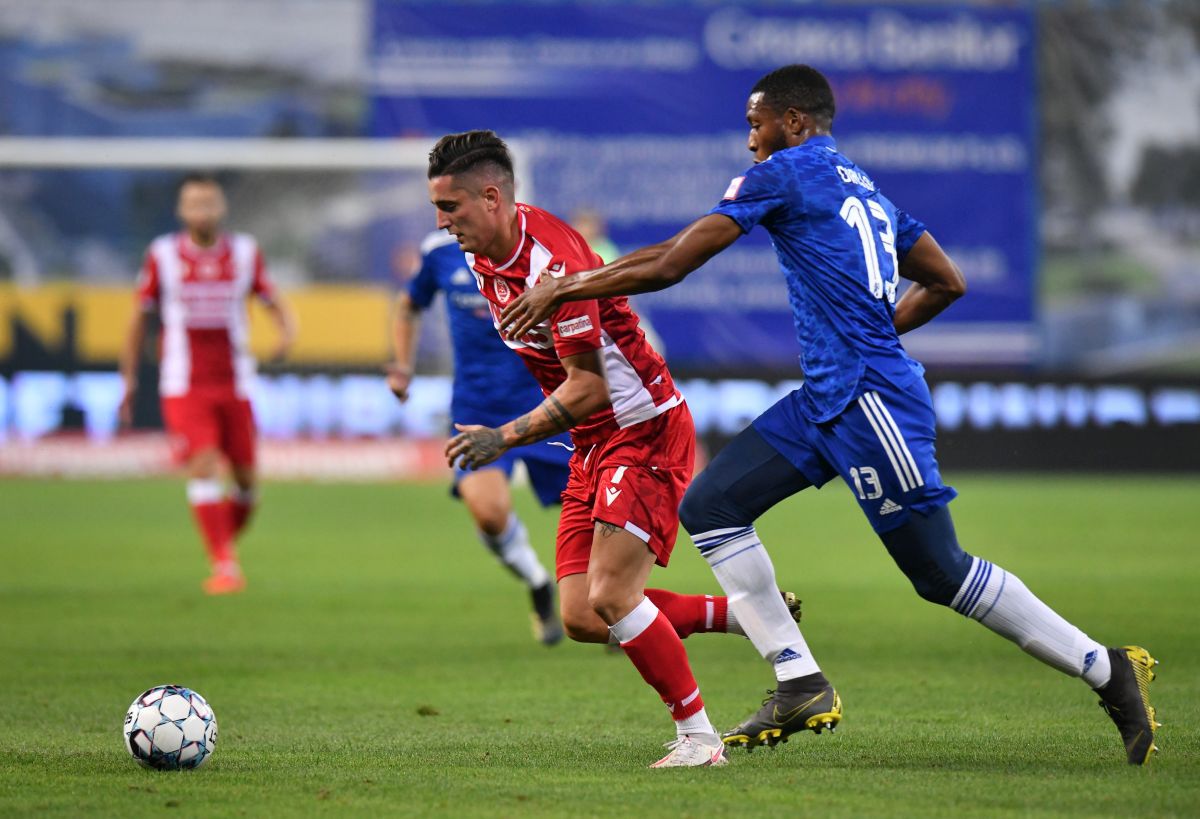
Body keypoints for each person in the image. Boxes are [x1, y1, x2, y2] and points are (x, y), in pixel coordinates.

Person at [499, 64, 1159, 765]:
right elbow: (947, 280)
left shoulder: (785, 171)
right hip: (827, 397)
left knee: (941, 572)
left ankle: (1104, 665)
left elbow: (670, 263)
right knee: (713, 504)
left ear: (793, 122)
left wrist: (569, 286)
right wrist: (871, 332)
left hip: (870, 399)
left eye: (756, 125)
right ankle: (799, 679)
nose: (750, 142)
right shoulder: (863, 187)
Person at [426, 130, 800, 768]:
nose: (442, 221)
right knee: (580, 615)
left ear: (491, 197)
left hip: (641, 428)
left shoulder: (555, 265)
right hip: (593, 443)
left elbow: (592, 389)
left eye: (451, 208)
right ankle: (742, 614)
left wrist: (503, 437)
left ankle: (700, 741)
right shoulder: (483, 255)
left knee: (613, 595)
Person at [387, 229, 569, 646]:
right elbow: (409, 305)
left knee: (595, 511)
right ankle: (538, 582)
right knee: (488, 514)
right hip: (477, 410)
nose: (440, 217)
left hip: (549, 406)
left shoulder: (538, 247)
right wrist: (403, 364)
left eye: (449, 205)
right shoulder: (437, 253)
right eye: (437, 205)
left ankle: (615, 604)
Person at [119, 172, 295, 595]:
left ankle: (220, 542)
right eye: (194, 204)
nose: (202, 211)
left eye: (209, 203)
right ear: (181, 211)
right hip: (185, 383)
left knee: (248, 483)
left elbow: (272, 300)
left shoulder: (245, 252)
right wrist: (128, 381)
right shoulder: (162, 255)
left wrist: (286, 334)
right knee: (203, 463)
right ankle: (225, 564)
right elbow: (138, 319)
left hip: (236, 382)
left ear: (221, 208)